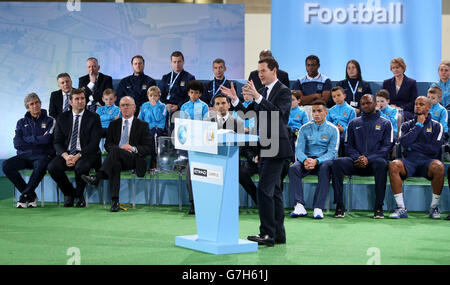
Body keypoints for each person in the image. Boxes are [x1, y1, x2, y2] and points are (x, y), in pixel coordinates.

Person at [221, 56, 292, 247]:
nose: (259, 74)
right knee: (274, 192)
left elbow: (278, 115)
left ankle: (267, 234)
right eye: (258, 71)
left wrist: (259, 98)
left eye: (263, 71)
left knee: (265, 191)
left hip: (277, 148)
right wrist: (235, 100)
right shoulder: (262, 92)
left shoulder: (284, 92)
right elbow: (247, 114)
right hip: (265, 147)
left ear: (274, 71)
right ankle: (278, 234)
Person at [81, 96, 153, 212]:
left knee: (114, 153)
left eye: (127, 105)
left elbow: (149, 148)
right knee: (115, 163)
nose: (125, 107)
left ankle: (97, 177)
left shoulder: (142, 125)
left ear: (134, 108)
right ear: (119, 108)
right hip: (117, 157)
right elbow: (107, 144)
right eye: (122, 105)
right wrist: (118, 149)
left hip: (134, 158)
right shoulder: (114, 124)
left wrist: (133, 148)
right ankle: (115, 201)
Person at [331, 95, 393, 219]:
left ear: (375, 103)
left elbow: (387, 147)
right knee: (337, 163)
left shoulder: (386, 123)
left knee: (382, 164)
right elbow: (348, 145)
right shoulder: (353, 123)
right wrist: (358, 158)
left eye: (368, 103)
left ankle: (378, 207)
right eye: (363, 103)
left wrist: (368, 158)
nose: (365, 105)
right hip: (356, 162)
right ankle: (339, 205)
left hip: (375, 162)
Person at [388, 96, 445, 219]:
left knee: (439, 166)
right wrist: (418, 125)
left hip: (428, 162)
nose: (417, 106)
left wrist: (412, 146)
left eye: (421, 104)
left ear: (429, 108)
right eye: (416, 104)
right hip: (409, 162)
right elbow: (403, 142)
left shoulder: (437, 126)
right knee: (393, 165)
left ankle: (434, 207)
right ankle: (401, 208)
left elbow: (434, 149)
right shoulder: (406, 125)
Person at [47, 89, 102, 208]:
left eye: (82, 98)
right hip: (67, 153)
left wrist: (77, 156)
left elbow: (94, 143)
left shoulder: (94, 117)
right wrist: (66, 156)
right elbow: (57, 141)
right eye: (77, 99)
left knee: (81, 166)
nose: (80, 101)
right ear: (70, 102)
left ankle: (80, 195)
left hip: (86, 153)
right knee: (52, 167)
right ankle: (70, 194)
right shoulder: (62, 117)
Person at [2, 93, 55, 208]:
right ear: (27, 107)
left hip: (42, 155)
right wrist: (37, 140)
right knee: (7, 165)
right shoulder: (21, 122)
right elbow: (17, 143)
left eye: (37, 102)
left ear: (40, 104)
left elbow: (47, 139)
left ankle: (24, 196)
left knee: (41, 164)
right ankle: (30, 195)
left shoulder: (50, 121)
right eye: (31, 104)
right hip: (24, 156)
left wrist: (28, 140)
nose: (35, 105)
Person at [289, 101, 339, 219]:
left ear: (325, 113)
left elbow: (332, 152)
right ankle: (299, 205)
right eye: (314, 111)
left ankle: (318, 207)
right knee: (293, 168)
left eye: (319, 111)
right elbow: (299, 149)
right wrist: (305, 160)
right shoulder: (304, 128)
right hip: (307, 160)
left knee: (325, 168)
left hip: (323, 161)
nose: (316, 114)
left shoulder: (333, 129)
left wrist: (317, 161)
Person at [179, 80, 209, 214]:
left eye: (196, 93)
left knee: (201, 174)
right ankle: (192, 203)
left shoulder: (204, 107)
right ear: (188, 93)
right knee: (189, 175)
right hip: (188, 145)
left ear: (200, 94)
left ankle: (202, 202)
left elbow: (206, 124)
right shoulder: (184, 107)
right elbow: (181, 126)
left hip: (201, 144)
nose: (194, 95)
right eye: (191, 92)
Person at [159, 51, 196, 132]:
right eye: (174, 62)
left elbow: (191, 97)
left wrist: (178, 106)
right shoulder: (165, 77)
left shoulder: (189, 78)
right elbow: (159, 95)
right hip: (166, 108)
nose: (177, 64)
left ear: (183, 62)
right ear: (171, 63)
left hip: (181, 109)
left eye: (179, 62)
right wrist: (165, 105)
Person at [138, 86, 167, 168]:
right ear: (148, 96)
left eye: (155, 96)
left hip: (157, 128)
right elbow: (140, 118)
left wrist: (155, 107)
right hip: (146, 128)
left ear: (159, 96)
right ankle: (138, 163)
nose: (153, 98)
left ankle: (153, 162)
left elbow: (158, 118)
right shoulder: (144, 105)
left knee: (153, 136)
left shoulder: (162, 106)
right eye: (151, 96)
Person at [382, 57, 418, 122]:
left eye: (397, 67)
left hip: (405, 111)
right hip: (389, 110)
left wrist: (400, 108)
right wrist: (389, 107)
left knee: (398, 116)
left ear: (403, 68)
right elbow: (382, 99)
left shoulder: (411, 83)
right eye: (393, 68)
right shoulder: (386, 83)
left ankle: (398, 132)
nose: (395, 70)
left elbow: (413, 102)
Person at [326, 86, 356, 156]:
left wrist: (343, 129)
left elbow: (353, 126)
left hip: (345, 136)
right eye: (334, 96)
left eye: (338, 95)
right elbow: (327, 124)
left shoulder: (351, 110)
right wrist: (334, 129)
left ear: (344, 96)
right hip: (333, 134)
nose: (336, 98)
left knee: (342, 140)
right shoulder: (330, 110)